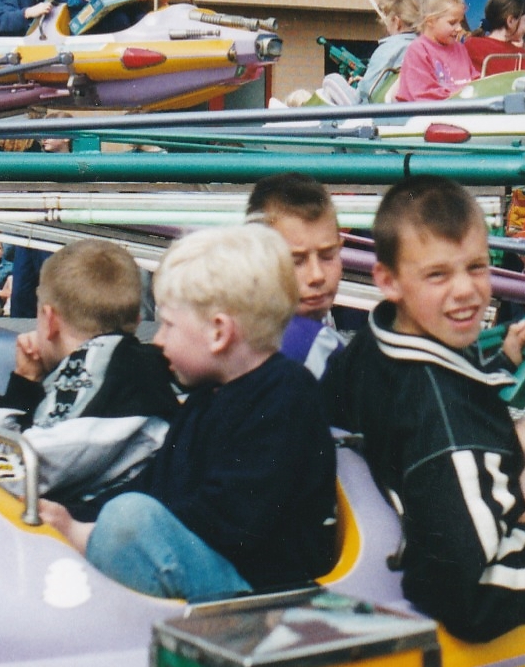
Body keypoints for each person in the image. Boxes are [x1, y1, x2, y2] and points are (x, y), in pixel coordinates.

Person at [321, 176, 525, 643]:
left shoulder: (374, 340)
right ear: (387, 280)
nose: (466, 290)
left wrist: (501, 360)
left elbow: (417, 386)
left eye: (477, 267)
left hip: (391, 469)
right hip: (434, 509)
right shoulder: (454, 434)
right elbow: (465, 602)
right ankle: (506, 531)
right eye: (438, 275)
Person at [38, 225, 337, 601]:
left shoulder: (286, 396)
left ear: (218, 333)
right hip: (213, 574)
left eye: (168, 325)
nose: (158, 340)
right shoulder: (205, 398)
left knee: (128, 520)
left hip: (260, 598)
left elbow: (232, 521)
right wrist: (71, 514)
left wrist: (86, 533)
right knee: (122, 511)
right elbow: (152, 485)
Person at [0, 239, 178, 509]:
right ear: (137, 321)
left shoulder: (97, 369)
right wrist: (25, 384)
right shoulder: (128, 365)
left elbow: (18, 475)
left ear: (49, 320)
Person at [245, 173, 347, 380]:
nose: (316, 275)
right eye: (296, 261)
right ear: (257, 261)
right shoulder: (320, 347)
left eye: (327, 256)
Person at [392, 0, 476, 102]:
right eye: (452, 23)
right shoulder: (418, 50)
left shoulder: (459, 48)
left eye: (460, 22)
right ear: (430, 21)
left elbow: (475, 80)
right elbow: (424, 94)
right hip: (428, 111)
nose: (459, 28)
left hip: (459, 108)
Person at [358, 0, 422, 103]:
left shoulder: (390, 48)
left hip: (376, 108)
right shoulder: (425, 48)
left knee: (332, 79)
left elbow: (367, 90)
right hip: (412, 106)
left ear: (397, 22)